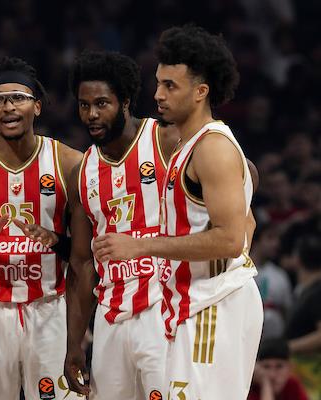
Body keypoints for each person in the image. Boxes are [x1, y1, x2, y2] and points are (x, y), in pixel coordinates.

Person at [95, 25, 263, 399]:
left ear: (201, 91)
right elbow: (247, 219)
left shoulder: (211, 148)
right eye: (158, 83)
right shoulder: (188, 144)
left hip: (214, 305)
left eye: (170, 85)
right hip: (195, 305)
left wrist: (140, 246)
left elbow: (231, 239)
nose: (158, 94)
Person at [0, 56, 83, 400]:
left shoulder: (69, 162)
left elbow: (85, 251)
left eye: (18, 97)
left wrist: (56, 240)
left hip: (49, 306)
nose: (9, 107)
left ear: (37, 107)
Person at [63, 50, 177, 399]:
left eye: (102, 104)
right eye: (84, 105)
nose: (92, 114)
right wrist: (74, 344)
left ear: (125, 101)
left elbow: (242, 172)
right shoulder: (82, 172)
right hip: (110, 314)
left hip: (163, 306)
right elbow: (81, 263)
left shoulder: (165, 139)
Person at [286, 234, 321, 398]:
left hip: (312, 372)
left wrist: (287, 347)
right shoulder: (307, 290)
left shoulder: (318, 292)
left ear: (297, 258)